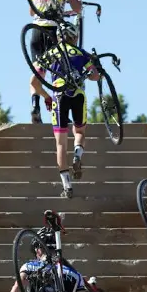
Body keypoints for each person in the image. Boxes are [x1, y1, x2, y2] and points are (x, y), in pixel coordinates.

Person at [27, 0, 82, 125]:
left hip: (35, 31)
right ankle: (63, 114)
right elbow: (77, 8)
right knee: (60, 75)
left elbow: (31, 11)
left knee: (37, 75)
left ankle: (36, 104)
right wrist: (70, 10)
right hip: (53, 32)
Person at [44, 31, 100, 198]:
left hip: (58, 95)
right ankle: (77, 155)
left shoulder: (50, 53)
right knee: (80, 131)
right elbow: (95, 76)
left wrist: (44, 96)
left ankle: (67, 186)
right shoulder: (81, 52)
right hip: (78, 94)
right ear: (74, 38)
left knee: (61, 144)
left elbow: (34, 80)